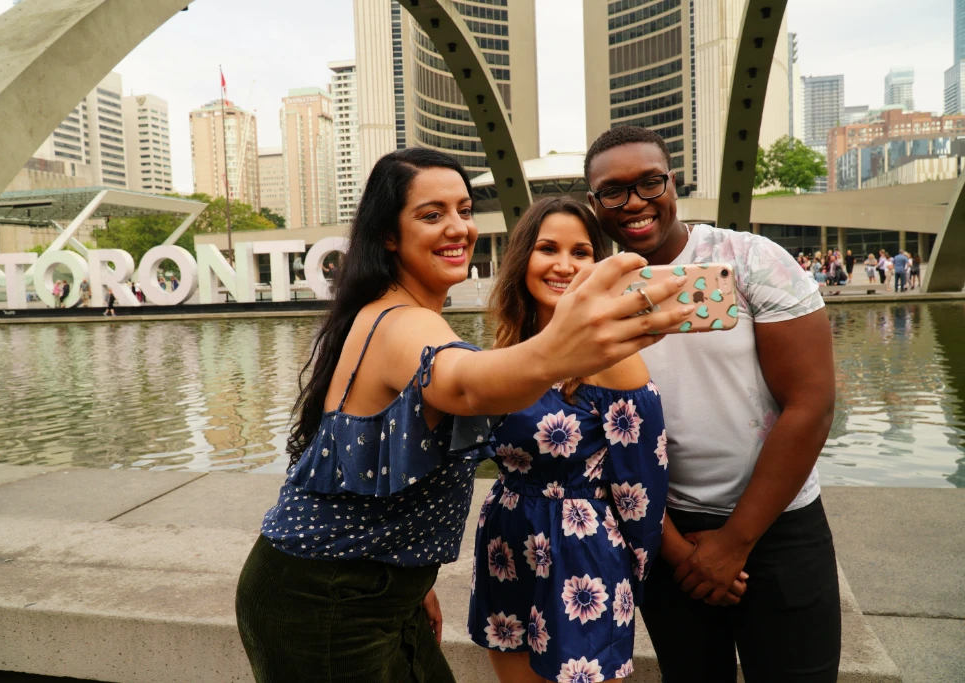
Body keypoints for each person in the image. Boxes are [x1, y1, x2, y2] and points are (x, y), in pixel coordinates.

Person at [234, 149, 691, 683]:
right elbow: (466, 385)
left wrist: (412, 577)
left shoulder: (398, 314)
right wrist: (564, 347)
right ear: (388, 235)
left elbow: (372, 464)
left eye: (465, 210)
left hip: (373, 588)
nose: (457, 229)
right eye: (431, 215)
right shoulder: (403, 323)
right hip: (329, 601)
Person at [585, 125, 840, 683]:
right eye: (614, 191)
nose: (636, 203)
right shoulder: (593, 293)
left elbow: (812, 403)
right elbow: (600, 434)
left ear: (673, 182)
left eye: (651, 182)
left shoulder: (750, 259)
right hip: (665, 527)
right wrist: (676, 548)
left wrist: (735, 541)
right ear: (594, 203)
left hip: (780, 523)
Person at [468, 197, 712, 682]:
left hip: (581, 554)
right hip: (507, 545)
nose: (563, 265)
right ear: (523, 260)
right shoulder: (507, 347)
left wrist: (633, 569)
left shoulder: (613, 358)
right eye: (547, 249)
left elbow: (642, 482)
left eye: (581, 252)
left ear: (598, 267)